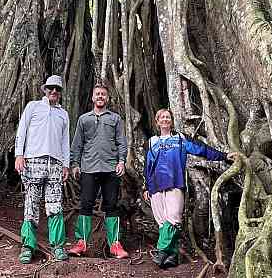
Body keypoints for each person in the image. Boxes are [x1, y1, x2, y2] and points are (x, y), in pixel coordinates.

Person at [143, 108, 238, 269]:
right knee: (162, 222)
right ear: (157, 122)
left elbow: (201, 149)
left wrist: (223, 156)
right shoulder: (151, 142)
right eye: (162, 117)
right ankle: (172, 256)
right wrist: (145, 187)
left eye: (168, 117)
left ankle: (161, 251)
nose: (165, 119)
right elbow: (148, 166)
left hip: (175, 182)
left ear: (171, 120)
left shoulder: (180, 139)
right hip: (155, 186)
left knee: (173, 219)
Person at [69, 83, 129, 259]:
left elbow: (121, 142)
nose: (100, 96)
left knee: (112, 205)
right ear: (93, 98)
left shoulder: (115, 119)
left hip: (111, 168)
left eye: (103, 94)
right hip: (89, 168)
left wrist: (121, 161)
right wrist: (75, 163)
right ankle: (82, 243)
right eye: (97, 94)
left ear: (107, 98)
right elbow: (77, 143)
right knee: (86, 204)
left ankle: (115, 244)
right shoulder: (84, 119)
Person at [14, 75, 70, 264]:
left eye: (57, 89)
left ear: (61, 93)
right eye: (51, 88)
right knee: (31, 205)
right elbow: (22, 131)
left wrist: (66, 164)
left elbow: (65, 141)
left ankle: (58, 246)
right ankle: (28, 247)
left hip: (54, 165)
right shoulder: (33, 106)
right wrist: (19, 155)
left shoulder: (63, 114)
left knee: (55, 206)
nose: (54, 91)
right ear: (44, 89)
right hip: (33, 162)